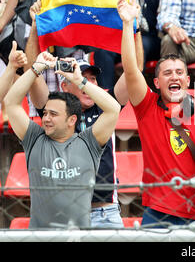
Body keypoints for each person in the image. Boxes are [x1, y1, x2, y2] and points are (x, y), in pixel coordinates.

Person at [25, 0, 140, 228]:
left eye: (93, 78)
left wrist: (131, 26)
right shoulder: (55, 109)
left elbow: (131, 72)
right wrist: (36, 27)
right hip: (61, 213)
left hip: (105, 213)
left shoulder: (106, 107)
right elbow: (31, 73)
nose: (89, 82)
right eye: (81, 78)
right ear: (65, 84)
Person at [118, 0, 195, 226]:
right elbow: (131, 70)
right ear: (157, 83)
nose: (174, 76)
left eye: (180, 72)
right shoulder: (147, 106)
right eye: (167, 73)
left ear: (189, 81)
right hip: (157, 214)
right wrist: (128, 23)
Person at [3, 52, 121, 228]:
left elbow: (113, 109)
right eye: (45, 113)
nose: (46, 119)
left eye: (54, 114)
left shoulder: (87, 143)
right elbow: (11, 102)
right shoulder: (35, 139)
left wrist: (81, 81)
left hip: (90, 222)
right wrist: (35, 69)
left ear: (72, 119)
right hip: (45, 230)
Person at [92, 0, 158, 90]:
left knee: (142, 45)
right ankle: (106, 95)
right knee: (102, 52)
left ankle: (136, 92)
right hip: (121, 35)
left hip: (148, 35)